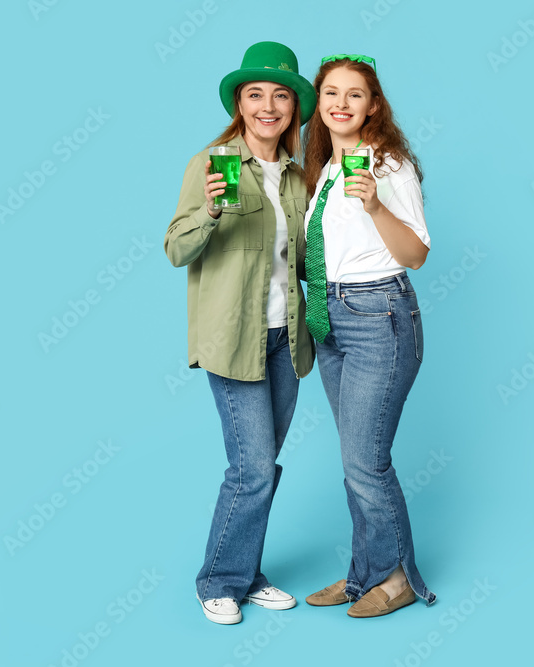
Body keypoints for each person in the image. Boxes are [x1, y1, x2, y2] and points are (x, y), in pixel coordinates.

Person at [163, 41, 316, 625]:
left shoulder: (298, 178)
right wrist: (211, 211)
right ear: (240, 104)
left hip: (286, 340)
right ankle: (218, 581)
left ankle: (247, 575)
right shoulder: (211, 162)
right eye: (256, 95)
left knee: (266, 464)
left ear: (294, 108)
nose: (268, 106)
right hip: (234, 340)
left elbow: (302, 263)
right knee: (251, 469)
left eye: (280, 95)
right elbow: (177, 249)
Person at [301, 54, 435, 617]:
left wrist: (375, 204)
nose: (340, 103)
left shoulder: (388, 166)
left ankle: (398, 579)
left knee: (366, 460)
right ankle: (363, 575)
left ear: (373, 105)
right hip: (329, 316)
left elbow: (417, 254)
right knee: (355, 458)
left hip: (379, 315)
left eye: (354, 94)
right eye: (331, 92)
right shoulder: (325, 171)